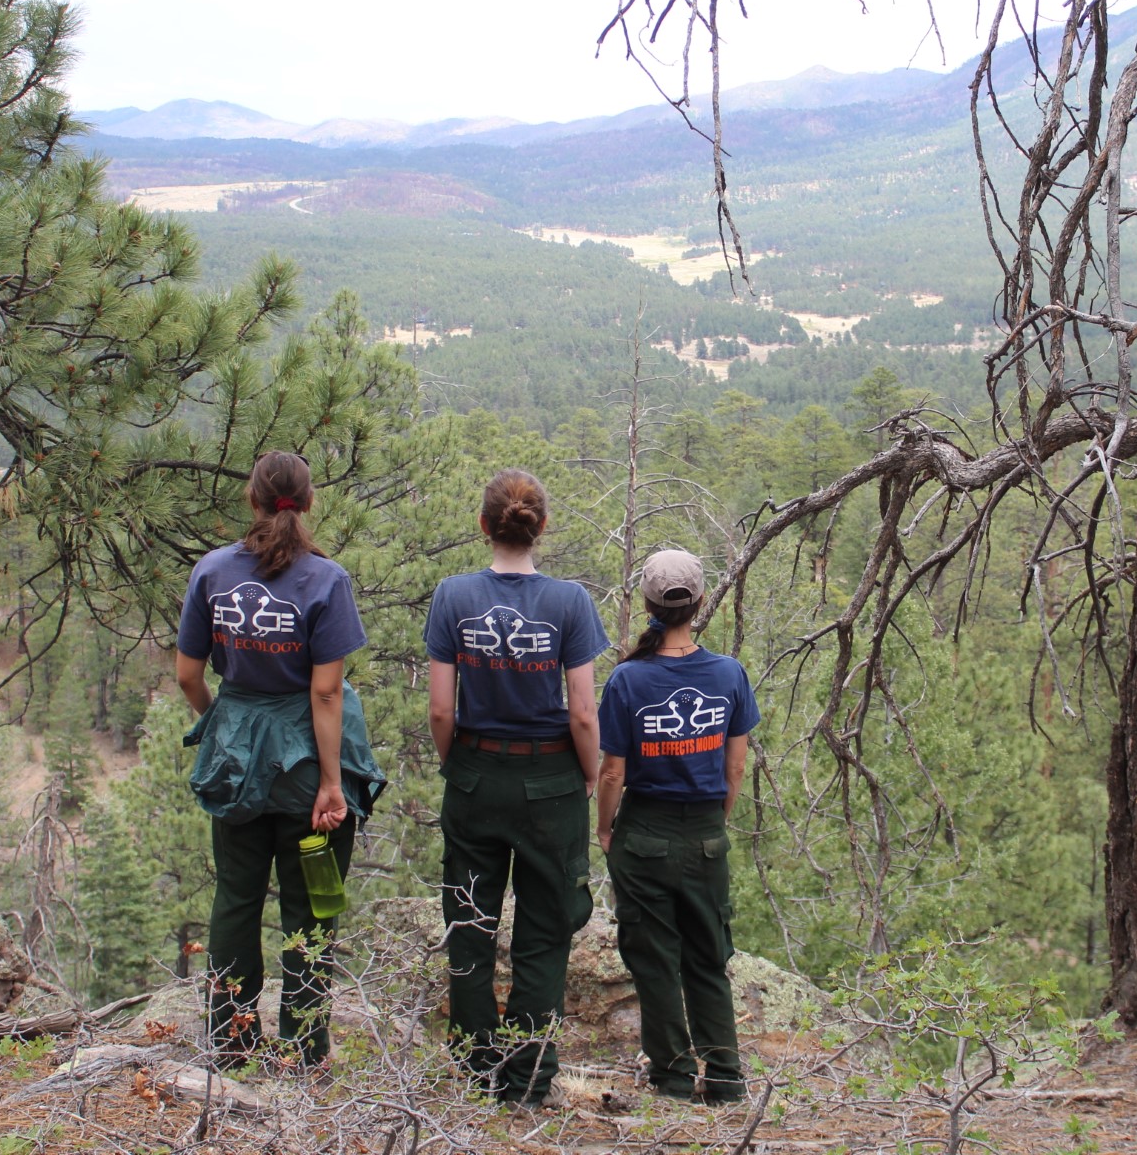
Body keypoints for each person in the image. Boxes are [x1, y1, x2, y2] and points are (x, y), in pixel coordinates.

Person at [176, 451, 385, 1068]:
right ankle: (302, 1047)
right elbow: (324, 691)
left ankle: (230, 1042)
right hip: (308, 763)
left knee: (236, 898)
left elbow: (189, 675)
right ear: (309, 500)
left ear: (254, 498)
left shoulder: (213, 572)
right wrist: (330, 783)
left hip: (238, 758)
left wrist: (225, 724)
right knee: (312, 900)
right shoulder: (326, 580)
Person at [425, 469, 609, 1107]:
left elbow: (441, 712)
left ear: (484, 526)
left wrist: (461, 765)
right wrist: (588, 774)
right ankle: (529, 1076)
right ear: (542, 528)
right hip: (550, 778)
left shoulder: (452, 597)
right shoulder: (569, 603)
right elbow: (584, 712)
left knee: (469, 921)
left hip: (477, 773)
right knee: (545, 925)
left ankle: (477, 1070)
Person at [595, 549, 757, 1104]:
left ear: (646, 605)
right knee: (708, 956)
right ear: (701, 602)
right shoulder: (729, 674)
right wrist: (716, 820)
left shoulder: (628, 680)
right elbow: (734, 766)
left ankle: (672, 1077)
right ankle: (726, 1075)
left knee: (655, 958)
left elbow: (612, 770)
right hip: (705, 832)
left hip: (643, 833)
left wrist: (605, 829)